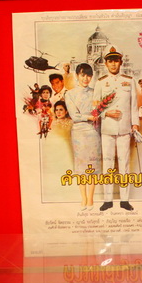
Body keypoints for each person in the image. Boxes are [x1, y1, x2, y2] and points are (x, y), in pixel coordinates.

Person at [93, 46, 142, 212]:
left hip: (124, 128)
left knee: (124, 163)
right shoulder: (100, 82)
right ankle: (107, 200)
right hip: (107, 129)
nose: (113, 64)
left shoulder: (129, 80)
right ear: (106, 63)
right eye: (110, 61)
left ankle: (124, 200)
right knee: (107, 163)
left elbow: (133, 105)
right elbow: (95, 108)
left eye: (116, 60)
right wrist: (106, 112)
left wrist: (135, 124)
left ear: (120, 62)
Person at [64, 63, 101, 211]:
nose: (86, 78)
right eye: (83, 75)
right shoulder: (70, 94)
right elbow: (75, 116)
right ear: (77, 76)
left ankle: (90, 198)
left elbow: (100, 112)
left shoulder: (96, 93)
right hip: (79, 133)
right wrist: (89, 117)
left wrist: (97, 116)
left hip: (94, 132)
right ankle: (83, 198)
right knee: (80, 167)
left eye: (89, 75)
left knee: (92, 166)